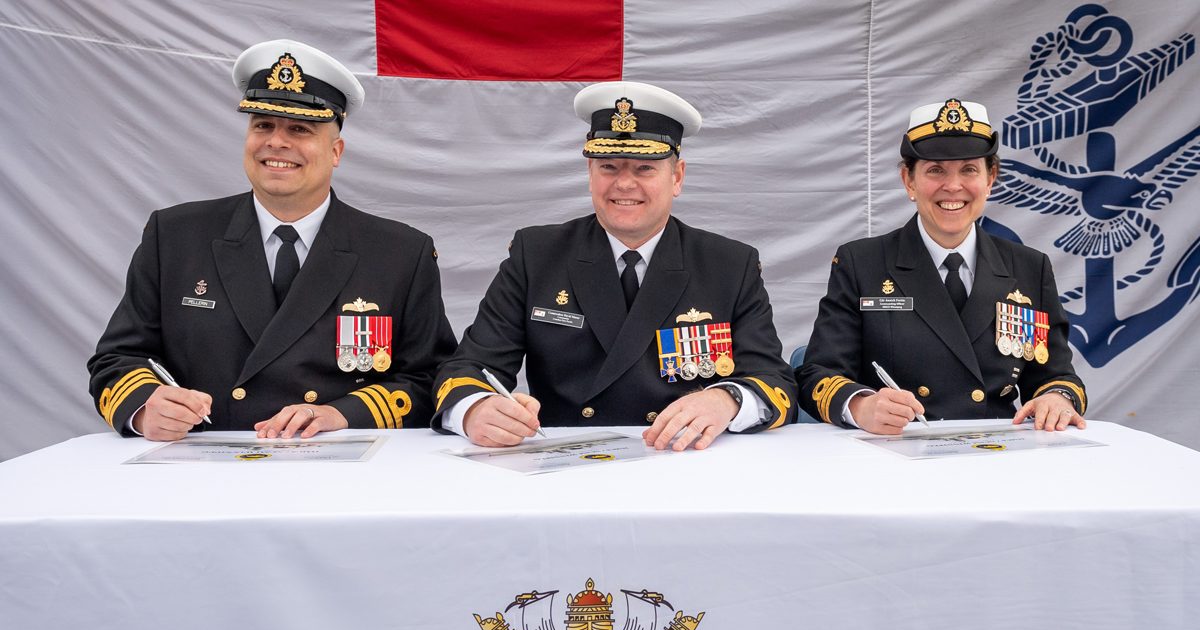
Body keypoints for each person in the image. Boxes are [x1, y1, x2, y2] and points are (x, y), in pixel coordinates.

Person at [88, 40, 457, 441]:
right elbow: (117, 359)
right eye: (262, 124)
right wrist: (145, 408)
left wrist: (342, 414)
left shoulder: (400, 253)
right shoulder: (175, 235)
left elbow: (431, 378)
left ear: (336, 151)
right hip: (201, 470)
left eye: (299, 129)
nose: (276, 142)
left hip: (340, 472)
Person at [432, 81, 796, 451]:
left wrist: (725, 400)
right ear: (590, 173)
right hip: (567, 463)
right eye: (608, 166)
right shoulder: (537, 254)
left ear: (678, 177)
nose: (624, 183)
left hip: (684, 459)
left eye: (644, 168)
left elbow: (776, 383)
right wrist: (475, 408)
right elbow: (469, 367)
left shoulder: (729, 264)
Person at [796, 98, 1087, 435]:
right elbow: (817, 373)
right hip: (895, 451)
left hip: (993, 454)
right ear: (909, 180)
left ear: (990, 178)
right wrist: (861, 405)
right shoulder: (862, 264)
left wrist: (1057, 398)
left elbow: (1056, 376)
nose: (953, 186)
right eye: (935, 170)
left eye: (969, 170)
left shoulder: (1028, 268)